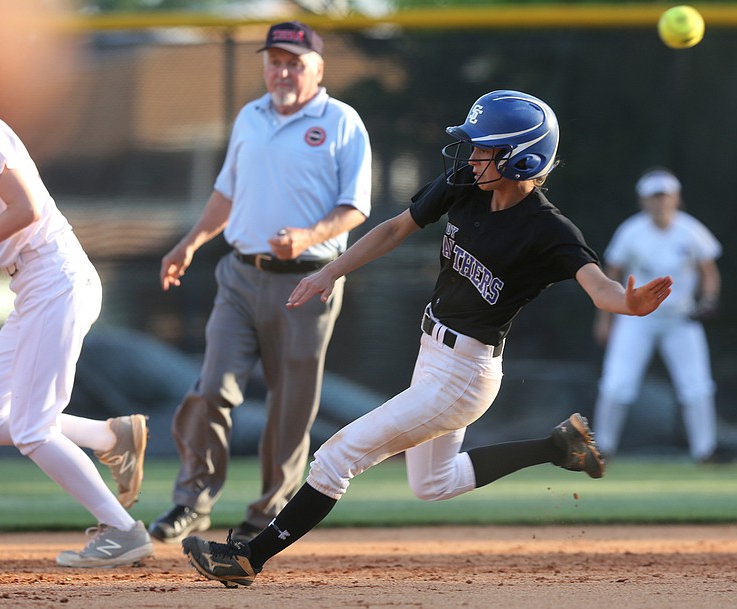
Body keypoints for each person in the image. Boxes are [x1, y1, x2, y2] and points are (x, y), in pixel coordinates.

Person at [179, 89, 674, 588]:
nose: (473, 155)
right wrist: (331, 270)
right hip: (433, 353)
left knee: (336, 456)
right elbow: (395, 229)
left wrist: (626, 303)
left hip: (465, 374)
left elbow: (600, 287)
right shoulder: (466, 184)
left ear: (522, 159)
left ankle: (248, 557)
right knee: (433, 483)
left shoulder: (549, 230)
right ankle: (557, 446)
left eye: (486, 149)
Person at [148, 21, 371, 544]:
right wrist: (190, 243)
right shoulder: (251, 116)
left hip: (309, 282)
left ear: (318, 69)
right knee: (211, 389)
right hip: (240, 275)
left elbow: (355, 207)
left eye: (295, 62)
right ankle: (191, 500)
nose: (282, 71)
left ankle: (265, 513)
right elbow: (226, 194)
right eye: (274, 60)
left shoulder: (340, 121)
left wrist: (309, 235)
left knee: (291, 405)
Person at [0, 40, 153, 567]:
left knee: (34, 426)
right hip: (32, 285)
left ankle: (123, 530)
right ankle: (109, 436)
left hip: (55, 275)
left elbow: (27, 208)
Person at [591, 168, 721, 463]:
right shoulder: (631, 231)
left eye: (665, 197)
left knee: (696, 384)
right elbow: (611, 274)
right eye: (654, 197)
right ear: (643, 201)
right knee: (617, 382)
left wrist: (709, 299)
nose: (660, 203)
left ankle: (705, 451)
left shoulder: (690, 230)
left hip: (681, 318)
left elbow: (708, 271)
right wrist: (605, 318)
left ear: (676, 199)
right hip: (636, 319)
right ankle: (602, 449)